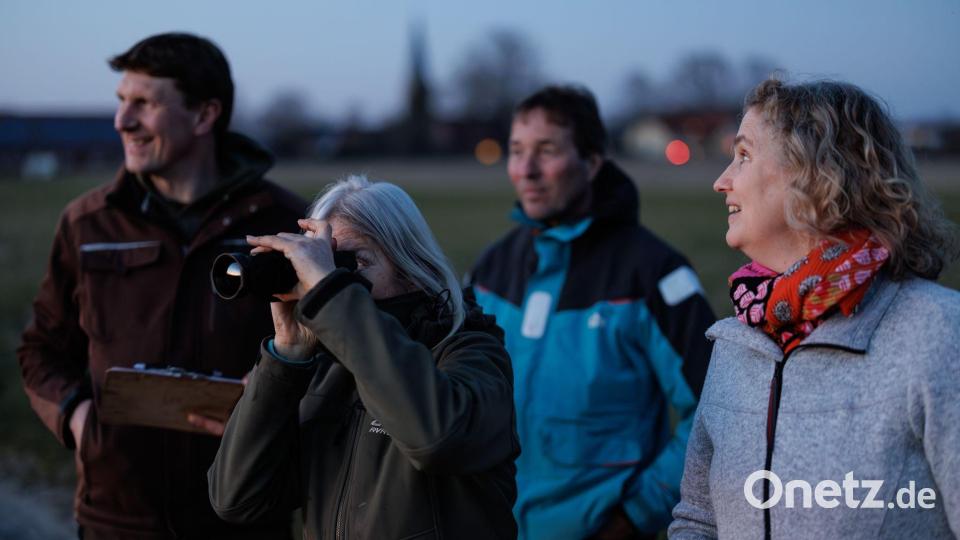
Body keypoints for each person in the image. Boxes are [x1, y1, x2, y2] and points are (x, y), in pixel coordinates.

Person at [16, 33, 305, 538]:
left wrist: (272, 405)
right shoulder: (87, 223)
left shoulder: (286, 224)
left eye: (144, 103)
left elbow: (335, 362)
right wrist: (78, 421)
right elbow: (40, 350)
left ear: (204, 115)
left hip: (244, 520)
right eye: (121, 101)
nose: (121, 121)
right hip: (115, 520)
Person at [669, 79, 960, 539]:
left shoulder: (937, 333)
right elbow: (698, 520)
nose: (721, 181)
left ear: (818, 173)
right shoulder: (735, 341)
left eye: (743, 155)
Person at [208, 176, 521, 539]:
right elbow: (236, 498)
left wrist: (332, 300)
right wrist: (286, 356)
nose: (327, 281)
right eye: (322, 265)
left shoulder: (471, 354)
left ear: (411, 270)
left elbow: (435, 439)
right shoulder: (326, 373)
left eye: (353, 262)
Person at [469, 85, 716, 539]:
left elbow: (714, 415)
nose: (526, 170)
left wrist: (633, 517)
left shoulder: (655, 274)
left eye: (547, 150)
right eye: (517, 151)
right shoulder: (490, 268)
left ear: (592, 162)